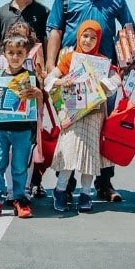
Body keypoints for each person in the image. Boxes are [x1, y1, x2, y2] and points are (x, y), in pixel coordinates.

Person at [46, 0, 135, 203]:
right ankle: (68, 184)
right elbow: (55, 30)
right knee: (71, 130)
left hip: (102, 77)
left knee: (102, 130)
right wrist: (52, 66)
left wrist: (129, 61)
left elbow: (128, 28)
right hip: (71, 75)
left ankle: (103, 183)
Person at [45, 20, 120, 212]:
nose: (88, 41)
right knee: (69, 154)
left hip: (94, 115)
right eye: (85, 36)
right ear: (79, 36)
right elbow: (50, 78)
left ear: (98, 40)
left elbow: (116, 80)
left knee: (89, 156)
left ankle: (86, 193)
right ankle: (60, 190)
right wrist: (61, 82)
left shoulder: (103, 61)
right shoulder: (69, 58)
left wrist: (104, 84)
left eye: (93, 37)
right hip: (72, 115)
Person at [0, 34, 43, 220]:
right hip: (0, 128)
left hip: (23, 128)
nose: (15, 56)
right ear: (4, 54)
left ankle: (19, 198)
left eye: (19, 53)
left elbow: (39, 103)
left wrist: (38, 93)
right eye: (11, 52)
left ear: (26, 54)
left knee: (19, 166)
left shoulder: (30, 76)